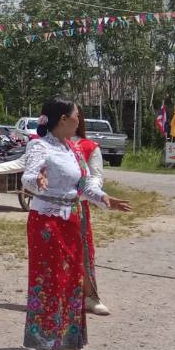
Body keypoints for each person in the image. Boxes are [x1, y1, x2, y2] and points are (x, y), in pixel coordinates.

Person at [21, 97, 131, 350]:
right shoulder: (39, 146)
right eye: (76, 115)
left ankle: (69, 342)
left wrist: (105, 198)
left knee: (72, 280)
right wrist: (37, 180)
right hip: (47, 223)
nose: (79, 120)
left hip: (71, 220)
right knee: (49, 280)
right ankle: (44, 345)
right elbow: (28, 176)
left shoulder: (72, 148)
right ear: (63, 119)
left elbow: (83, 185)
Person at [74, 124, 111, 317]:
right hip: (49, 210)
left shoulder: (88, 146)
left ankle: (90, 296)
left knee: (83, 252)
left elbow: (94, 178)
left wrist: (98, 195)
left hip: (77, 206)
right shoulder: (44, 144)